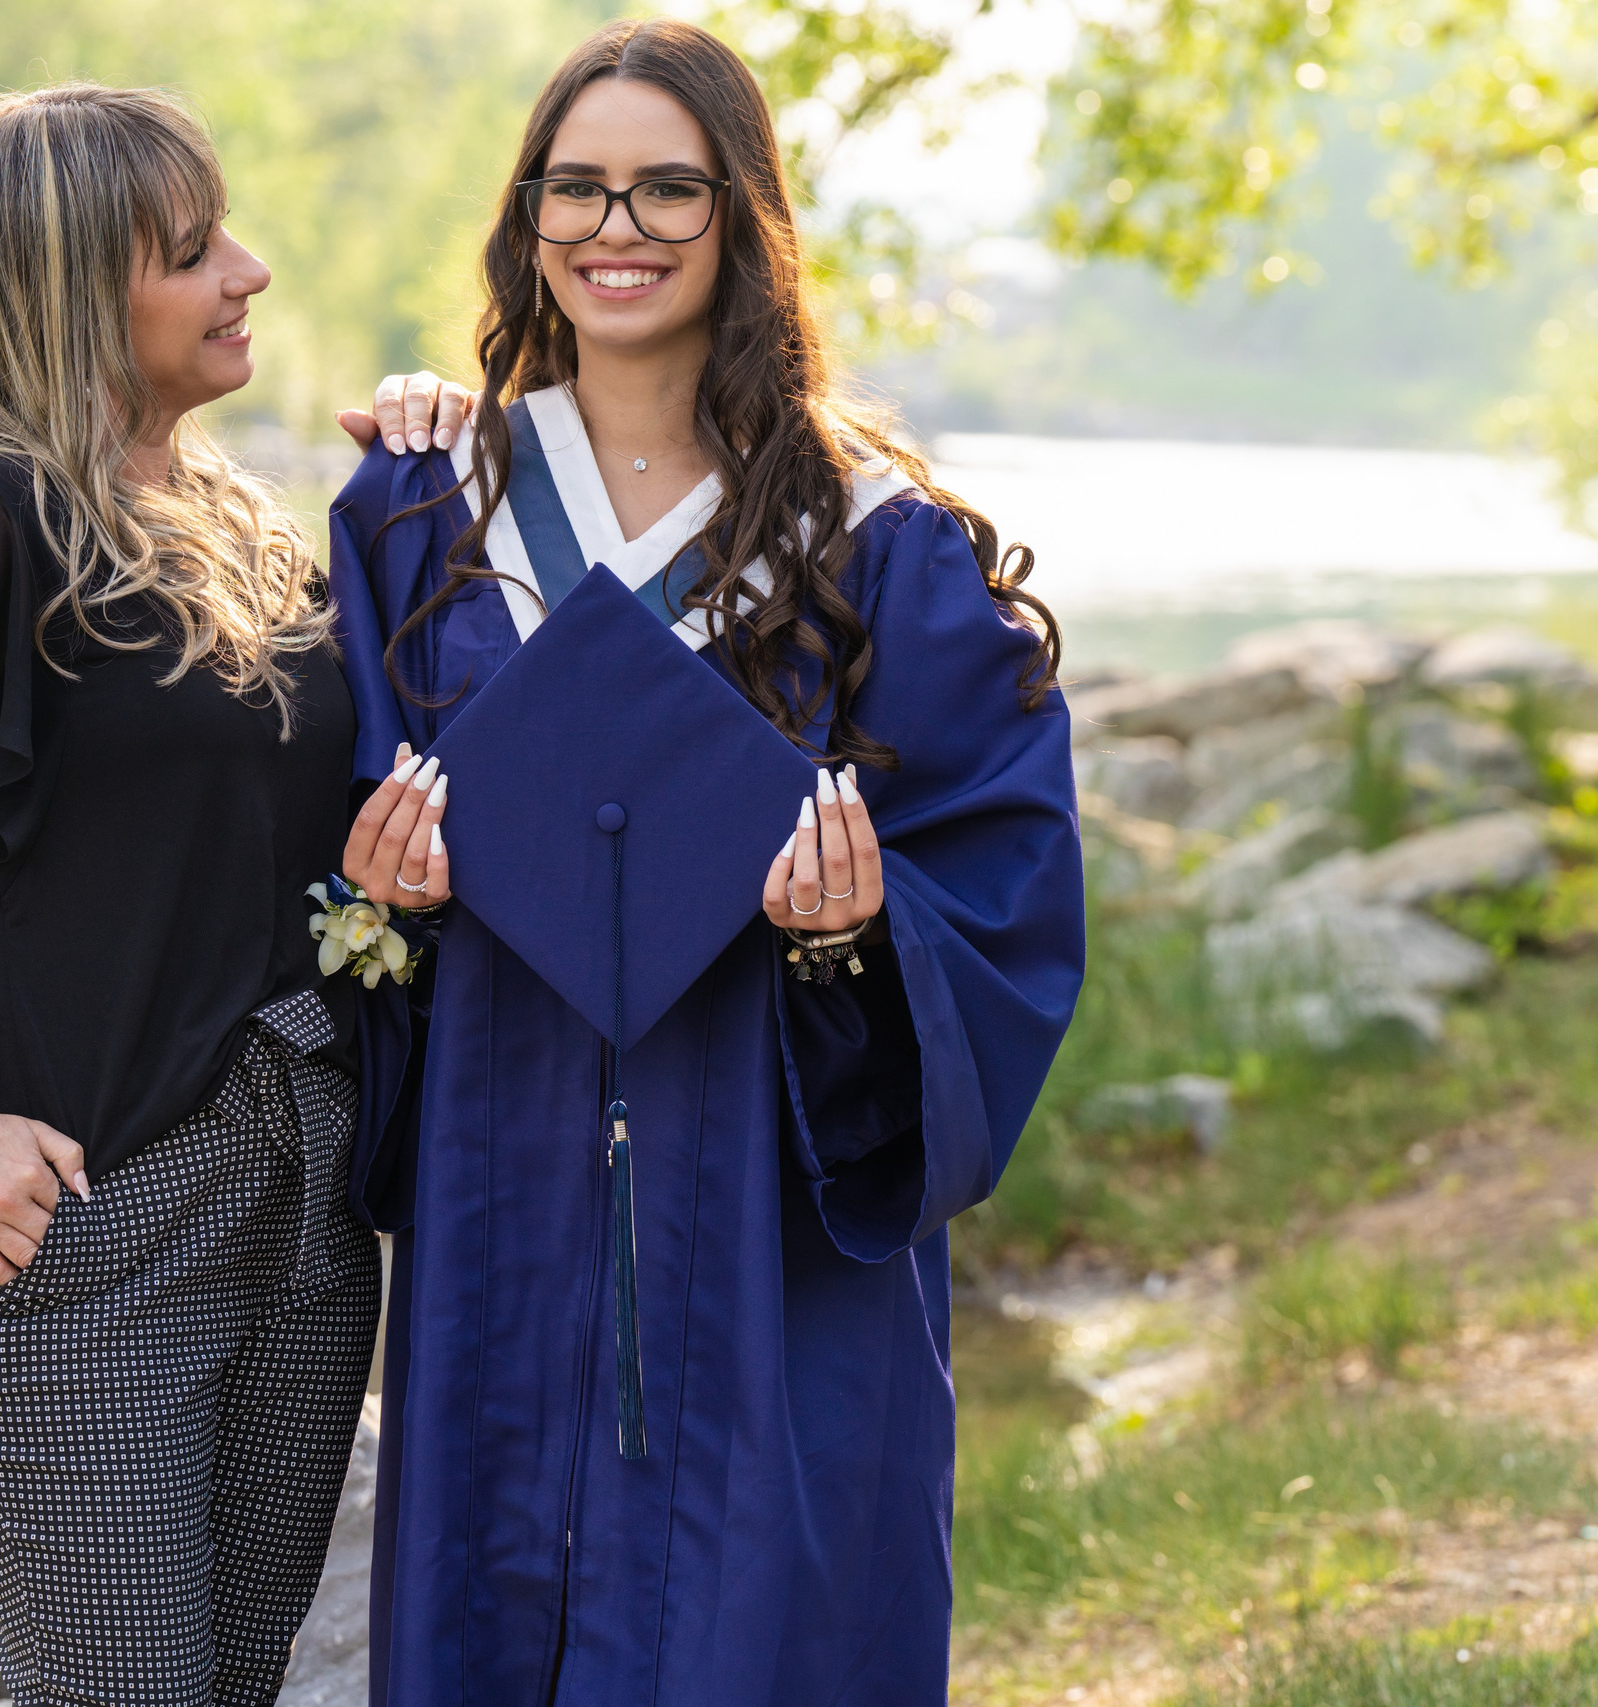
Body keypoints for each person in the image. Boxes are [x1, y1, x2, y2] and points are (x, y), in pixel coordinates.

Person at [326, 18, 1085, 1704]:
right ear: (529, 217)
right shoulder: (417, 514)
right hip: (497, 1170)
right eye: (578, 188)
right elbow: (324, 828)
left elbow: (1005, 885)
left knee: (767, 1621)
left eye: (670, 189)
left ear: (743, 219)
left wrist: (857, 939)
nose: (620, 227)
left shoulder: (879, 543)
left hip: (767, 1186)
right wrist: (390, 890)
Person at [0, 83, 443, 1707]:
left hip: (301, 1203)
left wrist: (441, 466)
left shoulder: (242, 527)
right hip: (79, 1230)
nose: (248, 270)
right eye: (193, 252)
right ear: (70, 295)